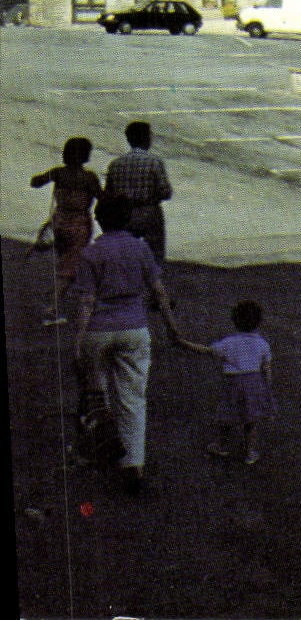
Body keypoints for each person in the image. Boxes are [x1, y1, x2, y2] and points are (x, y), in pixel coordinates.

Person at [70, 195, 188, 493]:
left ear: (99, 219)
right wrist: (173, 330)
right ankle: (134, 464)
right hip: (135, 329)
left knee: (98, 393)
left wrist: (78, 341)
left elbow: (86, 302)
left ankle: (103, 446)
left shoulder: (90, 254)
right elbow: (159, 293)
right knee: (133, 399)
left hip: (98, 330)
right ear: (128, 220)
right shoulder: (141, 249)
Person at [180, 299, 275, 465]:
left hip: (234, 384)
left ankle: (222, 446)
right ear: (259, 323)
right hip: (254, 383)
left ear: (235, 321)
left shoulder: (229, 343)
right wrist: (266, 386)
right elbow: (266, 367)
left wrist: (184, 343)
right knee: (251, 419)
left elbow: (207, 350)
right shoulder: (263, 344)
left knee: (228, 416)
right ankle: (250, 452)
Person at [31, 137, 105, 325]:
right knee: (70, 267)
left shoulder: (58, 173)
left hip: (60, 222)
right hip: (79, 224)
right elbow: (103, 198)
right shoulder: (89, 178)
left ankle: (69, 300)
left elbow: (35, 182)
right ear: (85, 156)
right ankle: (54, 306)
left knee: (66, 263)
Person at [105, 121, 172, 264]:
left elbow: (108, 194)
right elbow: (165, 192)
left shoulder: (115, 164)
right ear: (147, 139)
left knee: (125, 256)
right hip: (149, 212)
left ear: (129, 139)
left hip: (123, 214)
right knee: (154, 256)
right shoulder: (154, 162)